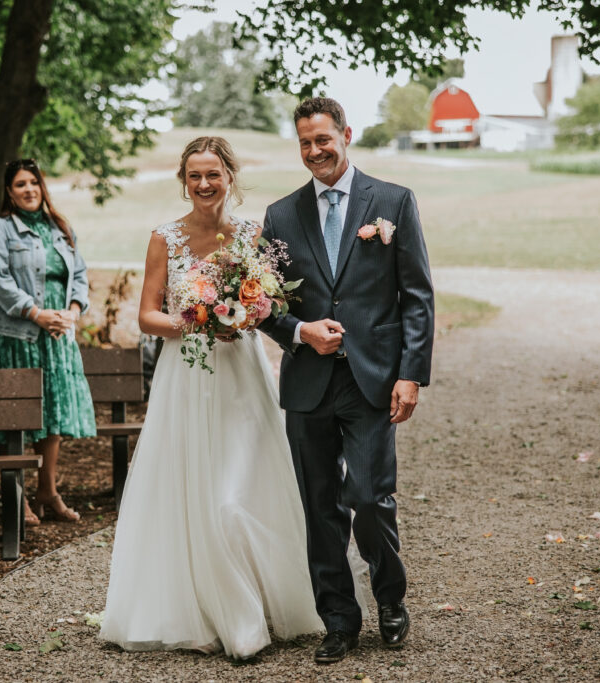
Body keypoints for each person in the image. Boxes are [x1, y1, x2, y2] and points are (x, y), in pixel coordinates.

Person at [99, 136, 322, 659]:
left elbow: (267, 302)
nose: (204, 185)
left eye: (214, 175)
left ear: (229, 178)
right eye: (195, 176)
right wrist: (192, 319)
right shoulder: (165, 237)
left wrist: (241, 312)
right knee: (191, 486)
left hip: (241, 374)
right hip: (187, 374)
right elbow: (147, 314)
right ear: (184, 180)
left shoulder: (252, 235)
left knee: (240, 489)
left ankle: (253, 608)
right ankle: (206, 611)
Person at [260, 97, 435, 663]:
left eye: (323, 140)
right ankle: (338, 618)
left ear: (346, 135)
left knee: (369, 495)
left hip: (373, 379)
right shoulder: (281, 216)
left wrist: (411, 375)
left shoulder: (392, 202)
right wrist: (299, 330)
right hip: (308, 382)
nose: (315, 152)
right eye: (305, 143)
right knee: (319, 506)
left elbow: (417, 297)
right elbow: (259, 304)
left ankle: (390, 599)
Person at [0, 159, 96, 525]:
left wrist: (73, 311)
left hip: (58, 337)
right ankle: (18, 498)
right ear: (9, 192)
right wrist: (34, 312)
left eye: (34, 183)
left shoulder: (60, 228)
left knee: (52, 415)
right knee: (11, 419)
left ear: (42, 187)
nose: (29, 189)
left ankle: (48, 491)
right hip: (18, 336)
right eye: (20, 184)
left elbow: (79, 275)